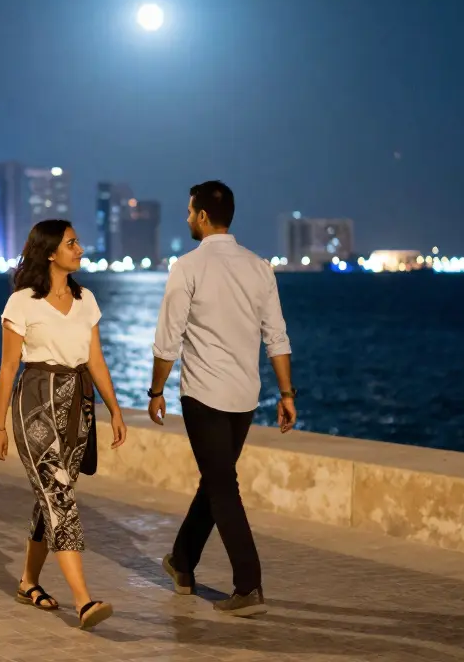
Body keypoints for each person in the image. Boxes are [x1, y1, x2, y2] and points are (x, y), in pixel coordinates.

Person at [147, 180, 297, 617]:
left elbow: (167, 339)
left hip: (204, 395)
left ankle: (248, 585)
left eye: (190, 212)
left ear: (204, 217)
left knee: (221, 484)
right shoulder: (259, 267)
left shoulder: (188, 267)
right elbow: (277, 337)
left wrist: (156, 390)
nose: (187, 217)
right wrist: (286, 393)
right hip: (245, 396)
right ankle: (182, 562)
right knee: (216, 479)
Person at [0, 219, 128, 630]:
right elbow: (8, 367)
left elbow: (96, 360)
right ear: (51, 252)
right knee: (60, 496)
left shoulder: (86, 299)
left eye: (78, 242)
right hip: (34, 403)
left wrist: (115, 410)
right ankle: (84, 601)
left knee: (50, 498)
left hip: (76, 406)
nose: (80, 248)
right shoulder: (22, 303)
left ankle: (28, 581)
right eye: (72, 243)